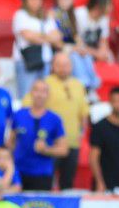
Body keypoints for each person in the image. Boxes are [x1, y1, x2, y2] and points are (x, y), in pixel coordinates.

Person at [28, 52, 89, 190]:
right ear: (52, 67)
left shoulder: (78, 85)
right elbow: (31, 107)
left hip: (72, 142)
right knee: (46, 181)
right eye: (59, 65)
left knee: (67, 182)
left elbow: (84, 112)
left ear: (71, 66)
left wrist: (81, 134)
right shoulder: (45, 83)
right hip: (50, 143)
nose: (63, 68)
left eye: (66, 65)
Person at [9, 78, 68, 191]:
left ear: (48, 95)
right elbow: (10, 142)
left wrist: (46, 150)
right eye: (36, 90)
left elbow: (63, 149)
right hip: (19, 171)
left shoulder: (54, 119)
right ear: (31, 92)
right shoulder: (19, 115)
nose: (39, 95)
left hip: (42, 173)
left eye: (43, 91)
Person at [13, 0, 63, 97]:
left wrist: (40, 36)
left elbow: (58, 37)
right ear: (26, 0)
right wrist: (47, 37)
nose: (36, 1)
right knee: (26, 96)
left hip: (45, 62)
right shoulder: (20, 15)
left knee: (44, 97)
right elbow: (28, 36)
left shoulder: (46, 17)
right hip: (26, 62)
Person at [89, 86, 119, 193]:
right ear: (109, 102)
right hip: (105, 184)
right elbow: (93, 157)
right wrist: (99, 182)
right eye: (115, 101)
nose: (118, 104)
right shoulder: (100, 127)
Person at [74, 0, 114, 89]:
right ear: (98, 6)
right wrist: (97, 54)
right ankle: (89, 86)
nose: (111, 7)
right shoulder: (79, 14)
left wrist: (103, 52)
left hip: (94, 50)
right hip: (79, 49)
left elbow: (103, 40)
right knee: (81, 55)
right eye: (108, 4)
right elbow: (77, 42)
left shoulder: (104, 18)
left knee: (110, 57)